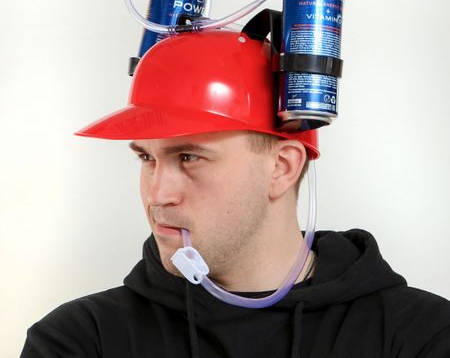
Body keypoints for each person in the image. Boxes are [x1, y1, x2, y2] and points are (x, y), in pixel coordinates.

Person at [20, 27, 450, 357]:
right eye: (146, 158)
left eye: (189, 157)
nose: (157, 195)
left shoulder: (420, 338)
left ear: (282, 167)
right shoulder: (81, 340)